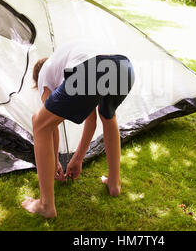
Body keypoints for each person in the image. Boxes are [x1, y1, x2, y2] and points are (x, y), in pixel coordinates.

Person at [22, 40, 134, 218]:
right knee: (107, 116)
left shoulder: (44, 75)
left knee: (39, 123)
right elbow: (91, 121)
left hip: (93, 68)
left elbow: (49, 127)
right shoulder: (68, 62)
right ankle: (114, 184)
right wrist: (78, 158)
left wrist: (54, 165)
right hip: (124, 67)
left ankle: (45, 205)